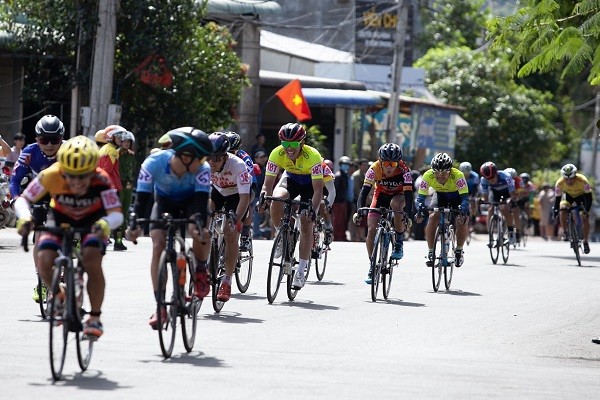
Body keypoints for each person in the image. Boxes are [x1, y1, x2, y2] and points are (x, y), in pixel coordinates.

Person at [14, 136, 123, 339]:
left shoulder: (102, 179)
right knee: (43, 258)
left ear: (92, 170)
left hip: (92, 222)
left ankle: (95, 317)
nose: (76, 182)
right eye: (70, 176)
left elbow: (117, 213)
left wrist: (106, 224)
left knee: (92, 260)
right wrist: (25, 217)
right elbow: (24, 199)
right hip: (60, 218)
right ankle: (58, 293)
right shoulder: (51, 174)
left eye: (83, 176)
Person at [126, 127, 213, 329]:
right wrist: (135, 225)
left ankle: (200, 269)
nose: (202, 164)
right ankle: (160, 306)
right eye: (199, 159)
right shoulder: (153, 163)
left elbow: (200, 206)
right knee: (158, 244)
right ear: (185, 156)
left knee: (197, 230)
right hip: (164, 201)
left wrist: (200, 228)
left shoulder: (203, 170)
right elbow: (141, 200)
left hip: (192, 202)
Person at [259, 122, 324, 289]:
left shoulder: (313, 156)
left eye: (293, 144)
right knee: (276, 198)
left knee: (305, 221)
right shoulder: (276, 153)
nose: (289, 148)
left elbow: (318, 190)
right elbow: (268, 185)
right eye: (285, 143)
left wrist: (313, 211)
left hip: (310, 186)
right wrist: (264, 196)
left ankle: (301, 271)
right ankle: (281, 234)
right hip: (291, 180)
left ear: (302, 142)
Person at [10, 115, 64, 303]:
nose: (49, 144)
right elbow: (15, 180)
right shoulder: (29, 152)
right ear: (36, 140)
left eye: (54, 140)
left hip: (63, 195)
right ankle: (41, 281)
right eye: (44, 140)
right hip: (39, 194)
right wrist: (16, 199)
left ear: (62, 139)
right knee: (40, 238)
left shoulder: (68, 151)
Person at [353, 143, 413, 283]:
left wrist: (408, 214)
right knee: (371, 230)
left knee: (395, 204)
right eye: (386, 162)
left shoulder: (404, 170)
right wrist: (359, 210)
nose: (389, 166)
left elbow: (409, 195)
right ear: (380, 161)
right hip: (380, 196)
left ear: (398, 162)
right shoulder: (373, 169)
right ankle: (372, 266)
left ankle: (398, 242)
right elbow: (364, 192)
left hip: (398, 196)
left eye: (393, 163)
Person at [207, 132, 251, 302]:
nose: (212, 162)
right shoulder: (204, 164)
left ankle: (227, 281)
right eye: (209, 157)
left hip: (236, 195)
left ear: (225, 156)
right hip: (216, 192)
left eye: (217, 158)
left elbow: (245, 198)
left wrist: (236, 220)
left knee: (229, 231)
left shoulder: (238, 165)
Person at [415, 153, 469, 267]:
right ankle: (430, 251)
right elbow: (420, 198)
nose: (440, 176)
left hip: (456, 196)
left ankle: (459, 250)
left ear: (450, 171)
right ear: (432, 171)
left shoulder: (458, 175)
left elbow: (464, 198)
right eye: (437, 173)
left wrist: (463, 212)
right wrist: (419, 209)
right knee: (433, 216)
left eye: (444, 172)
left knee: (462, 220)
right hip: (440, 195)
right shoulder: (428, 175)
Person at [97, 125, 131, 250]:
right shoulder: (112, 151)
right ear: (112, 137)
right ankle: (117, 242)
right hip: (111, 188)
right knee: (116, 214)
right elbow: (107, 170)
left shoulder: (104, 148)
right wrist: (110, 188)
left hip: (105, 187)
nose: (122, 139)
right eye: (119, 136)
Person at [224, 131, 256, 252]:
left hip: (246, 185)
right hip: (226, 185)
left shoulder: (244, 158)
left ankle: (245, 235)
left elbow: (247, 181)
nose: (228, 155)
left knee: (247, 203)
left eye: (232, 152)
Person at [553, 163, 593, 253]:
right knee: (562, 209)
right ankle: (565, 232)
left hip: (582, 197)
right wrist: (555, 211)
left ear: (575, 176)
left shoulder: (583, 181)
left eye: (571, 179)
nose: (569, 181)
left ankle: (585, 241)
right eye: (566, 179)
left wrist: (586, 210)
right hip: (568, 196)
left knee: (585, 218)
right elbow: (557, 199)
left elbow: (589, 198)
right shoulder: (559, 183)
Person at [479, 161, 521, 243]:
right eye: (488, 179)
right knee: (490, 209)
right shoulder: (483, 180)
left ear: (496, 173)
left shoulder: (506, 176)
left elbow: (512, 194)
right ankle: (490, 236)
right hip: (495, 193)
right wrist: (482, 201)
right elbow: (486, 198)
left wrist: (510, 200)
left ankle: (511, 231)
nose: (491, 180)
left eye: (493, 177)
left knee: (505, 208)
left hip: (507, 193)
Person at [118, 130, 137, 249]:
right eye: (124, 141)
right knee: (118, 210)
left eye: (128, 142)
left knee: (125, 209)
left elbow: (133, 168)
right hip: (119, 183)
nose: (126, 144)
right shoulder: (116, 154)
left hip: (129, 185)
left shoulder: (131, 154)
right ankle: (116, 234)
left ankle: (124, 232)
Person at [333, 156, 352, 241]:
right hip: (338, 202)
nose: (346, 166)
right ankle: (337, 236)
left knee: (343, 220)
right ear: (340, 164)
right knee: (338, 220)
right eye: (344, 164)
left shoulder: (345, 175)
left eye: (347, 164)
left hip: (344, 202)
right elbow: (335, 189)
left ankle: (342, 236)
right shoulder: (338, 175)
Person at [350, 158, 369, 242]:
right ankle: (354, 237)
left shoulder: (364, 175)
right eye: (364, 165)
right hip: (355, 200)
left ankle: (360, 236)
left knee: (362, 220)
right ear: (360, 166)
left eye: (366, 165)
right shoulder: (356, 175)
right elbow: (356, 190)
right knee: (354, 218)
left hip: (362, 201)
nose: (365, 167)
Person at [458, 161, 480, 229]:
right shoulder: (458, 175)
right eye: (464, 174)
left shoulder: (475, 176)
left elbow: (475, 188)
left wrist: (473, 197)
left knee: (473, 201)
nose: (465, 175)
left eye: (467, 174)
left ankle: (473, 215)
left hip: (471, 191)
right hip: (461, 190)